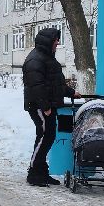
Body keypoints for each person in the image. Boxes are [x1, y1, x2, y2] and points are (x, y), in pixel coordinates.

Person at [22, 27, 68, 186]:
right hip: (39, 106)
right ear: (48, 41)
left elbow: (56, 84)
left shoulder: (47, 58)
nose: (58, 42)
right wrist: (45, 106)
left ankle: (41, 172)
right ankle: (34, 173)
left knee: (47, 137)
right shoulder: (36, 59)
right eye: (56, 39)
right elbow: (37, 85)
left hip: (46, 105)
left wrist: (71, 92)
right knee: (44, 136)